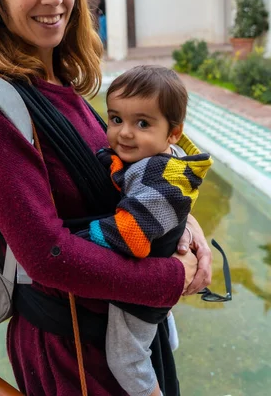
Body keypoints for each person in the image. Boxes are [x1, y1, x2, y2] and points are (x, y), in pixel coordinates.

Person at [0, 0, 212, 396]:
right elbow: (47, 255)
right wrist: (169, 278)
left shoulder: (61, 92)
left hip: (108, 336)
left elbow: (127, 186)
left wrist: (189, 230)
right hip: (70, 354)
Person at [78, 65, 212, 396]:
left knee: (126, 358)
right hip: (159, 276)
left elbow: (130, 235)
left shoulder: (159, 178)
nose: (124, 133)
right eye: (115, 119)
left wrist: (75, 239)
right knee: (152, 327)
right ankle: (167, 331)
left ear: (173, 133)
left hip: (142, 287)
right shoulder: (162, 159)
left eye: (142, 123)